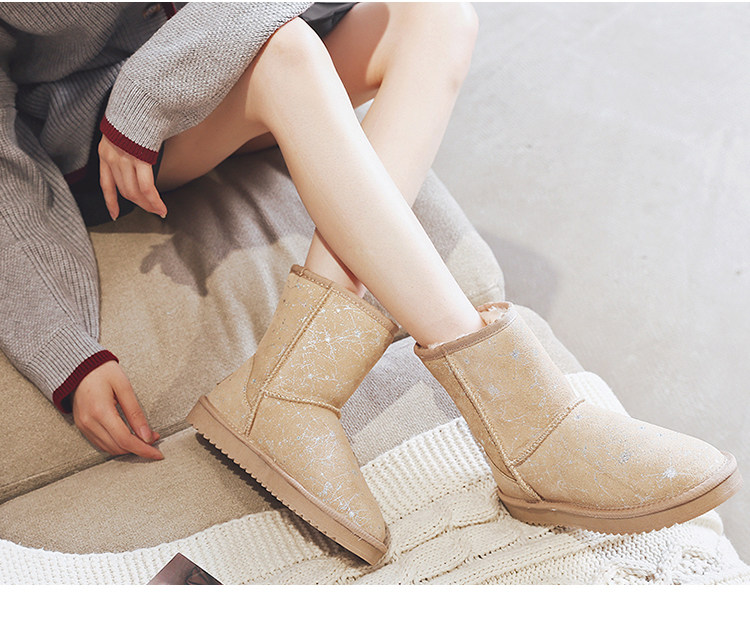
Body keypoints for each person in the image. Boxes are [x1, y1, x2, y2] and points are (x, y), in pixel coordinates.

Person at [1, 2, 740, 565]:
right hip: (110, 133)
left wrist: (164, 79)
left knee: (435, 16)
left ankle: (292, 382)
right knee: (287, 53)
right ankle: (530, 422)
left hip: (235, 33)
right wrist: (63, 346)